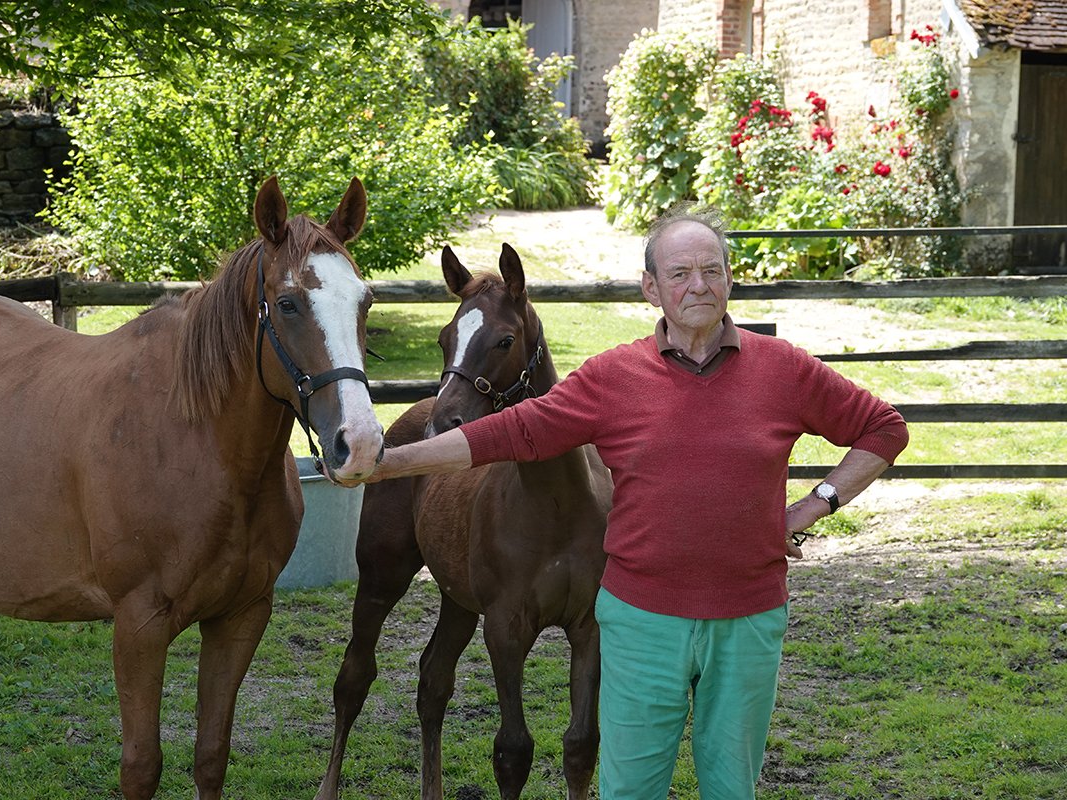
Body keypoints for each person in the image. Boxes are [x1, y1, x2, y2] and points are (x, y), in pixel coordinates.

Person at [337, 204, 909, 799]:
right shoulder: (614, 376)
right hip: (641, 621)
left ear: (729, 280)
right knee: (630, 788)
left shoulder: (782, 367)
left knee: (731, 787)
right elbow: (511, 432)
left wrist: (815, 504)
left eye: (711, 270)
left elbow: (884, 429)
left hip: (748, 619)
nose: (698, 285)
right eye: (679, 273)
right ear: (651, 289)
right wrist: (387, 463)